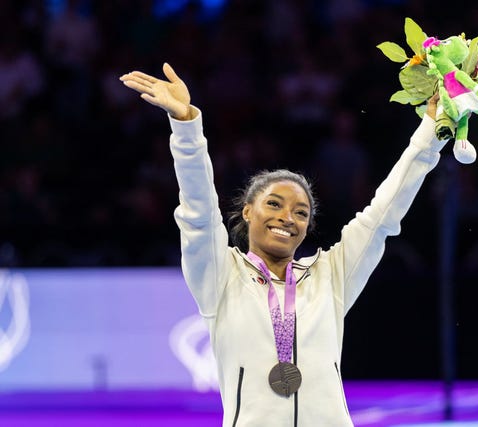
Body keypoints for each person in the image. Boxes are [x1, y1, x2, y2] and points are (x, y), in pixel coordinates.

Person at [120, 63, 446, 427]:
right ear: (246, 212)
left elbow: (382, 215)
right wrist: (186, 126)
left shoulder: (332, 276)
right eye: (274, 204)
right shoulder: (220, 276)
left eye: (301, 212)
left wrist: (431, 132)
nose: (287, 217)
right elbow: (198, 213)